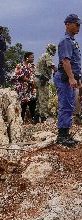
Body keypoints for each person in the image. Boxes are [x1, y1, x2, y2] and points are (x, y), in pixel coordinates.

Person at [54, 14, 81, 147]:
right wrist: (71, 77)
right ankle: (61, 136)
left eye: (79, 24)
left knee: (70, 106)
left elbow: (75, 63)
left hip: (70, 78)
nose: (78, 27)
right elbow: (65, 61)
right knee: (65, 105)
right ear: (68, 24)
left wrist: (77, 78)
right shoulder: (65, 41)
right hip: (65, 78)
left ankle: (66, 133)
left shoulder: (72, 41)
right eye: (76, 24)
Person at [13, 52, 38, 123]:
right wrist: (28, 80)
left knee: (32, 102)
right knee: (22, 104)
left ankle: (33, 119)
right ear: (27, 58)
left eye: (33, 57)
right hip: (22, 88)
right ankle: (21, 120)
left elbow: (34, 74)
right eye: (31, 57)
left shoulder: (32, 66)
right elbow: (17, 75)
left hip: (31, 88)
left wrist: (33, 83)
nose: (33, 58)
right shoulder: (19, 66)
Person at [36, 44, 58, 122]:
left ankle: (36, 118)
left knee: (39, 99)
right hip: (43, 80)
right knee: (44, 99)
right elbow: (52, 66)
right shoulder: (47, 56)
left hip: (39, 79)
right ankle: (43, 118)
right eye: (54, 49)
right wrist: (59, 72)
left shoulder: (43, 55)